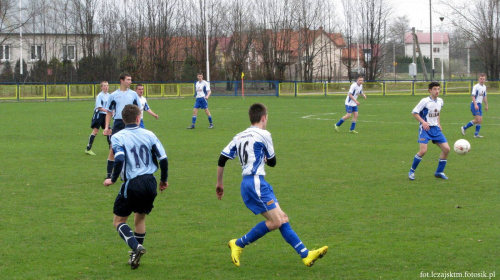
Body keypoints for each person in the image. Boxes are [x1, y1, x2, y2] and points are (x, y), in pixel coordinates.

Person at [216, 103, 328, 267]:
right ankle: (238, 243)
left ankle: (306, 254)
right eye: (267, 118)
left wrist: (219, 183)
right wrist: (265, 159)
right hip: (255, 183)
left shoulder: (238, 136)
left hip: (253, 183)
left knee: (282, 218)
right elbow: (273, 162)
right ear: (263, 118)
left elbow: (222, 158)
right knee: (276, 222)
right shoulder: (264, 134)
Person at [103, 104, 169, 270]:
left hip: (133, 183)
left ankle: (135, 246)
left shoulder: (118, 137)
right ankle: (135, 257)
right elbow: (163, 159)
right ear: (139, 118)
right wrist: (163, 180)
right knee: (140, 218)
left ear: (123, 119)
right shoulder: (149, 134)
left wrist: (112, 178)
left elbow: (119, 159)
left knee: (119, 221)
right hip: (150, 182)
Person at [408, 82, 450, 181]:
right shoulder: (425, 101)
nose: (437, 91)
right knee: (423, 151)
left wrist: (439, 123)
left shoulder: (440, 101)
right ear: (430, 90)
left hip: (435, 128)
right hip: (425, 129)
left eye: (438, 89)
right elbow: (414, 113)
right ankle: (412, 171)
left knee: (447, 149)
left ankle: (439, 172)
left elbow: (438, 113)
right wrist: (423, 122)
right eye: (435, 89)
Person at [103, 73, 142, 179]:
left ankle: (128, 171)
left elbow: (138, 111)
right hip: (118, 123)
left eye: (131, 80)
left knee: (131, 147)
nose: (130, 82)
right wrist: (106, 127)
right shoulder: (113, 95)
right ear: (122, 80)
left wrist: (138, 124)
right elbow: (109, 112)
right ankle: (109, 174)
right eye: (128, 80)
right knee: (113, 148)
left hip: (130, 123)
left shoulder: (133, 94)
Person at [85, 81, 111, 155]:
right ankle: (88, 148)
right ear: (101, 87)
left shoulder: (109, 95)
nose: (106, 87)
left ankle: (111, 149)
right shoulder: (100, 95)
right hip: (99, 115)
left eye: (107, 85)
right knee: (95, 131)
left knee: (109, 131)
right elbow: (99, 107)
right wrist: (108, 111)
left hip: (106, 115)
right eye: (105, 86)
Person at [461, 73, 489, 138]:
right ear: (479, 79)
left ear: (485, 79)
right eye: (481, 79)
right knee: (477, 120)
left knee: (480, 120)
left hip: (480, 104)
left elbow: (484, 96)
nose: (482, 80)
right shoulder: (476, 86)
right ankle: (464, 127)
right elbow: (473, 96)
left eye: (483, 79)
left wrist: (486, 105)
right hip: (474, 104)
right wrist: (475, 104)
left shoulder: (484, 87)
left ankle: (476, 134)